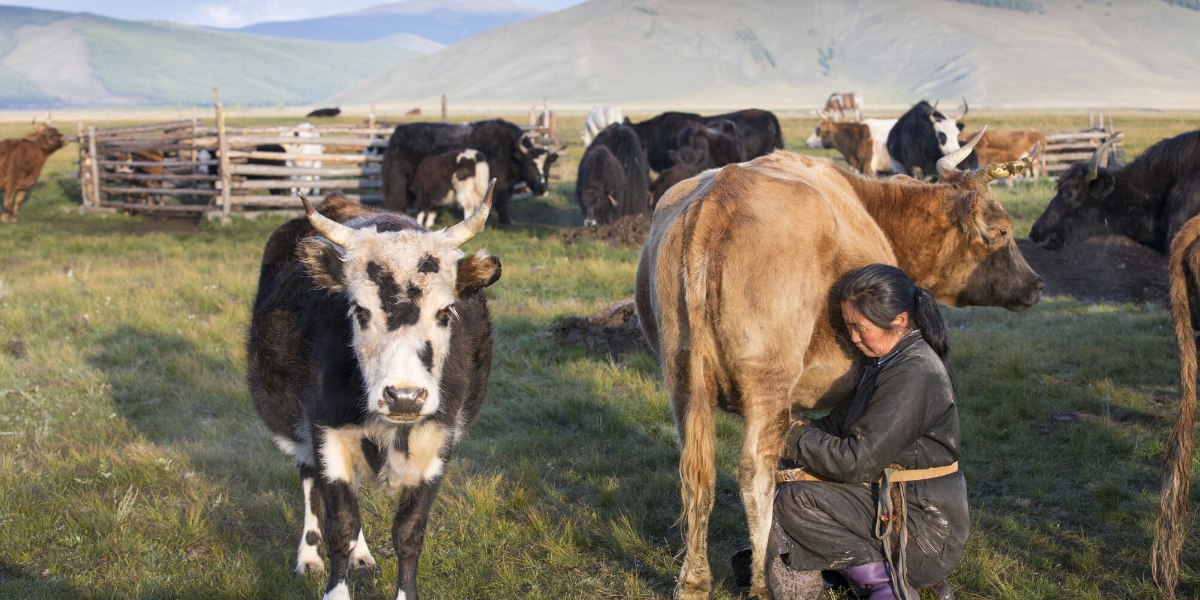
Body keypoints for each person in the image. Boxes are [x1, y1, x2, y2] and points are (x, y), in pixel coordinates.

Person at [762, 264, 968, 600]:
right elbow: (835, 428)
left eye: (861, 328)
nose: (854, 339)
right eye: (848, 327)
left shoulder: (914, 373)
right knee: (784, 484)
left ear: (899, 320)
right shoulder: (887, 361)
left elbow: (855, 462)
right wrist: (777, 426)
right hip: (902, 505)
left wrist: (790, 435)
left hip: (926, 530)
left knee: (798, 501)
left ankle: (890, 586)